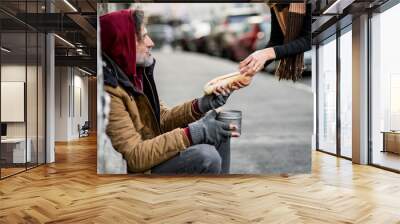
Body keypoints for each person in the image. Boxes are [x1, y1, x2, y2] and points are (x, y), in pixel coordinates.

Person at [100, 9, 237, 175]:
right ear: (123, 43)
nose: (151, 42)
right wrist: (195, 132)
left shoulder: (134, 77)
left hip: (152, 153)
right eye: (143, 37)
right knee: (205, 156)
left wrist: (202, 105)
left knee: (220, 129)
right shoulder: (111, 90)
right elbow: (134, 156)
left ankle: (220, 197)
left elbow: (161, 119)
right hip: (142, 169)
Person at [236, 2, 311, 86]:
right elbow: (276, 40)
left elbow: (308, 40)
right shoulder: (274, 4)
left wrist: (267, 53)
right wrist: (252, 67)